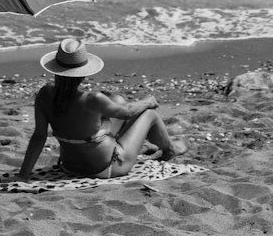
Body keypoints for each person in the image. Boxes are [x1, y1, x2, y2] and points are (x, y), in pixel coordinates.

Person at [17, 37, 185, 181]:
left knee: (117, 100)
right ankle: (170, 150)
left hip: (70, 166)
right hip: (105, 167)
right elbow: (127, 113)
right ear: (83, 72)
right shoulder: (92, 99)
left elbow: (39, 136)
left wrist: (24, 175)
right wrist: (147, 101)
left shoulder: (45, 94)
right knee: (149, 115)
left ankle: (149, 143)